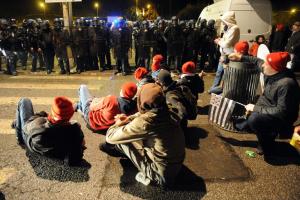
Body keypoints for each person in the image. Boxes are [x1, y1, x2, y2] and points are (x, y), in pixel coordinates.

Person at [103, 83, 185, 187]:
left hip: (160, 176)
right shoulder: (167, 109)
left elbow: (110, 137)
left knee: (121, 141)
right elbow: (146, 113)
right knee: (136, 136)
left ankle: (128, 157)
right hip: (176, 165)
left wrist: (118, 124)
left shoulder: (148, 122)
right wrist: (128, 119)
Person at [229, 51, 300, 157]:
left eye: (267, 64)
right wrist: (240, 57)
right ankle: (260, 132)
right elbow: (257, 61)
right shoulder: (271, 70)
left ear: (275, 68)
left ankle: (272, 140)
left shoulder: (287, 84)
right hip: (268, 105)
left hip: (282, 116)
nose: (263, 65)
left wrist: (256, 108)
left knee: (254, 120)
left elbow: (282, 111)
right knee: (249, 120)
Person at [11, 97, 86, 166]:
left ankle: (19, 138)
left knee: (24, 101)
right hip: (57, 154)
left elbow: (25, 127)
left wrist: (42, 114)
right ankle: (16, 123)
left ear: (53, 112)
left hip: (33, 146)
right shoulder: (75, 129)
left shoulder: (38, 124)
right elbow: (77, 155)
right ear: (70, 115)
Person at [209, 11, 240, 94]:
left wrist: (218, 42)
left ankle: (226, 91)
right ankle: (214, 88)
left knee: (227, 74)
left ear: (227, 20)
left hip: (229, 56)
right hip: (223, 54)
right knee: (219, 72)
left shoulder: (235, 28)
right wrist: (221, 40)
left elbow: (227, 44)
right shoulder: (228, 28)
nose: (222, 23)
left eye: (223, 21)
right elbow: (225, 40)